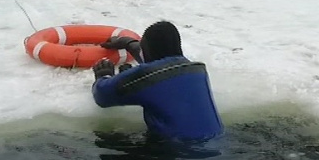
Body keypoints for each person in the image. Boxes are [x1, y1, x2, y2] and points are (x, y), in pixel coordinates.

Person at [91, 21, 223, 142]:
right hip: (215, 142)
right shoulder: (196, 71)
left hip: (176, 154)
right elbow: (159, 61)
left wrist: (104, 75)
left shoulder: (147, 77)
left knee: (105, 140)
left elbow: (102, 95)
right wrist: (129, 44)